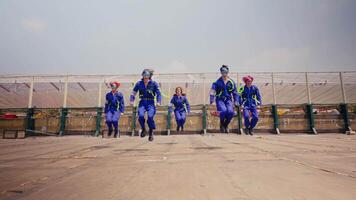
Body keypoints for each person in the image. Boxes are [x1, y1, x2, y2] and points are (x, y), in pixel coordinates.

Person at [130, 69, 161, 141]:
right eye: (144, 77)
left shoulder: (154, 83)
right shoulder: (139, 83)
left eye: (147, 77)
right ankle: (143, 129)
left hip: (151, 102)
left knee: (150, 117)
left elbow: (158, 93)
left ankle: (151, 132)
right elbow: (133, 93)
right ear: (142, 76)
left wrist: (158, 101)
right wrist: (132, 100)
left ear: (149, 77)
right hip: (142, 102)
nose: (145, 78)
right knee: (140, 116)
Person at [210, 65, 239, 133]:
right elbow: (212, 92)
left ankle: (225, 125)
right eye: (222, 71)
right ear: (221, 72)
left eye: (225, 71)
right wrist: (212, 101)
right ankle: (222, 124)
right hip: (220, 100)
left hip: (228, 100)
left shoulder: (231, 82)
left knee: (230, 112)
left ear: (228, 72)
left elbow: (235, 93)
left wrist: (236, 101)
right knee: (223, 111)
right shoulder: (217, 82)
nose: (224, 73)